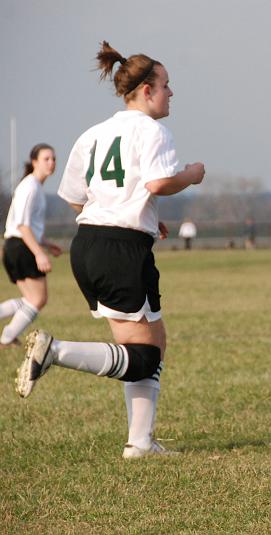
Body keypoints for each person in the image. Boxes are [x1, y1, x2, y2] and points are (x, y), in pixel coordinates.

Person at [14, 41, 205, 459]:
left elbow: (75, 197)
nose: (172, 92)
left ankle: (140, 443)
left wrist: (137, 215)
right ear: (145, 90)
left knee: (153, 344)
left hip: (94, 243)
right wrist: (190, 174)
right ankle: (55, 351)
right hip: (119, 250)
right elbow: (158, 183)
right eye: (166, 85)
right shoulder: (153, 130)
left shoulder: (93, 133)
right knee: (143, 356)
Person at [1, 144, 63, 346]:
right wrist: (39, 253)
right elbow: (22, 226)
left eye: (53, 159)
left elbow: (29, 227)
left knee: (31, 298)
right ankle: (8, 338)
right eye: (46, 158)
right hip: (21, 247)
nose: (51, 163)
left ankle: (9, 337)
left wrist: (46, 244)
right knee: (38, 300)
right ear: (34, 161)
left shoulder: (34, 186)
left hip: (16, 245)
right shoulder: (30, 186)